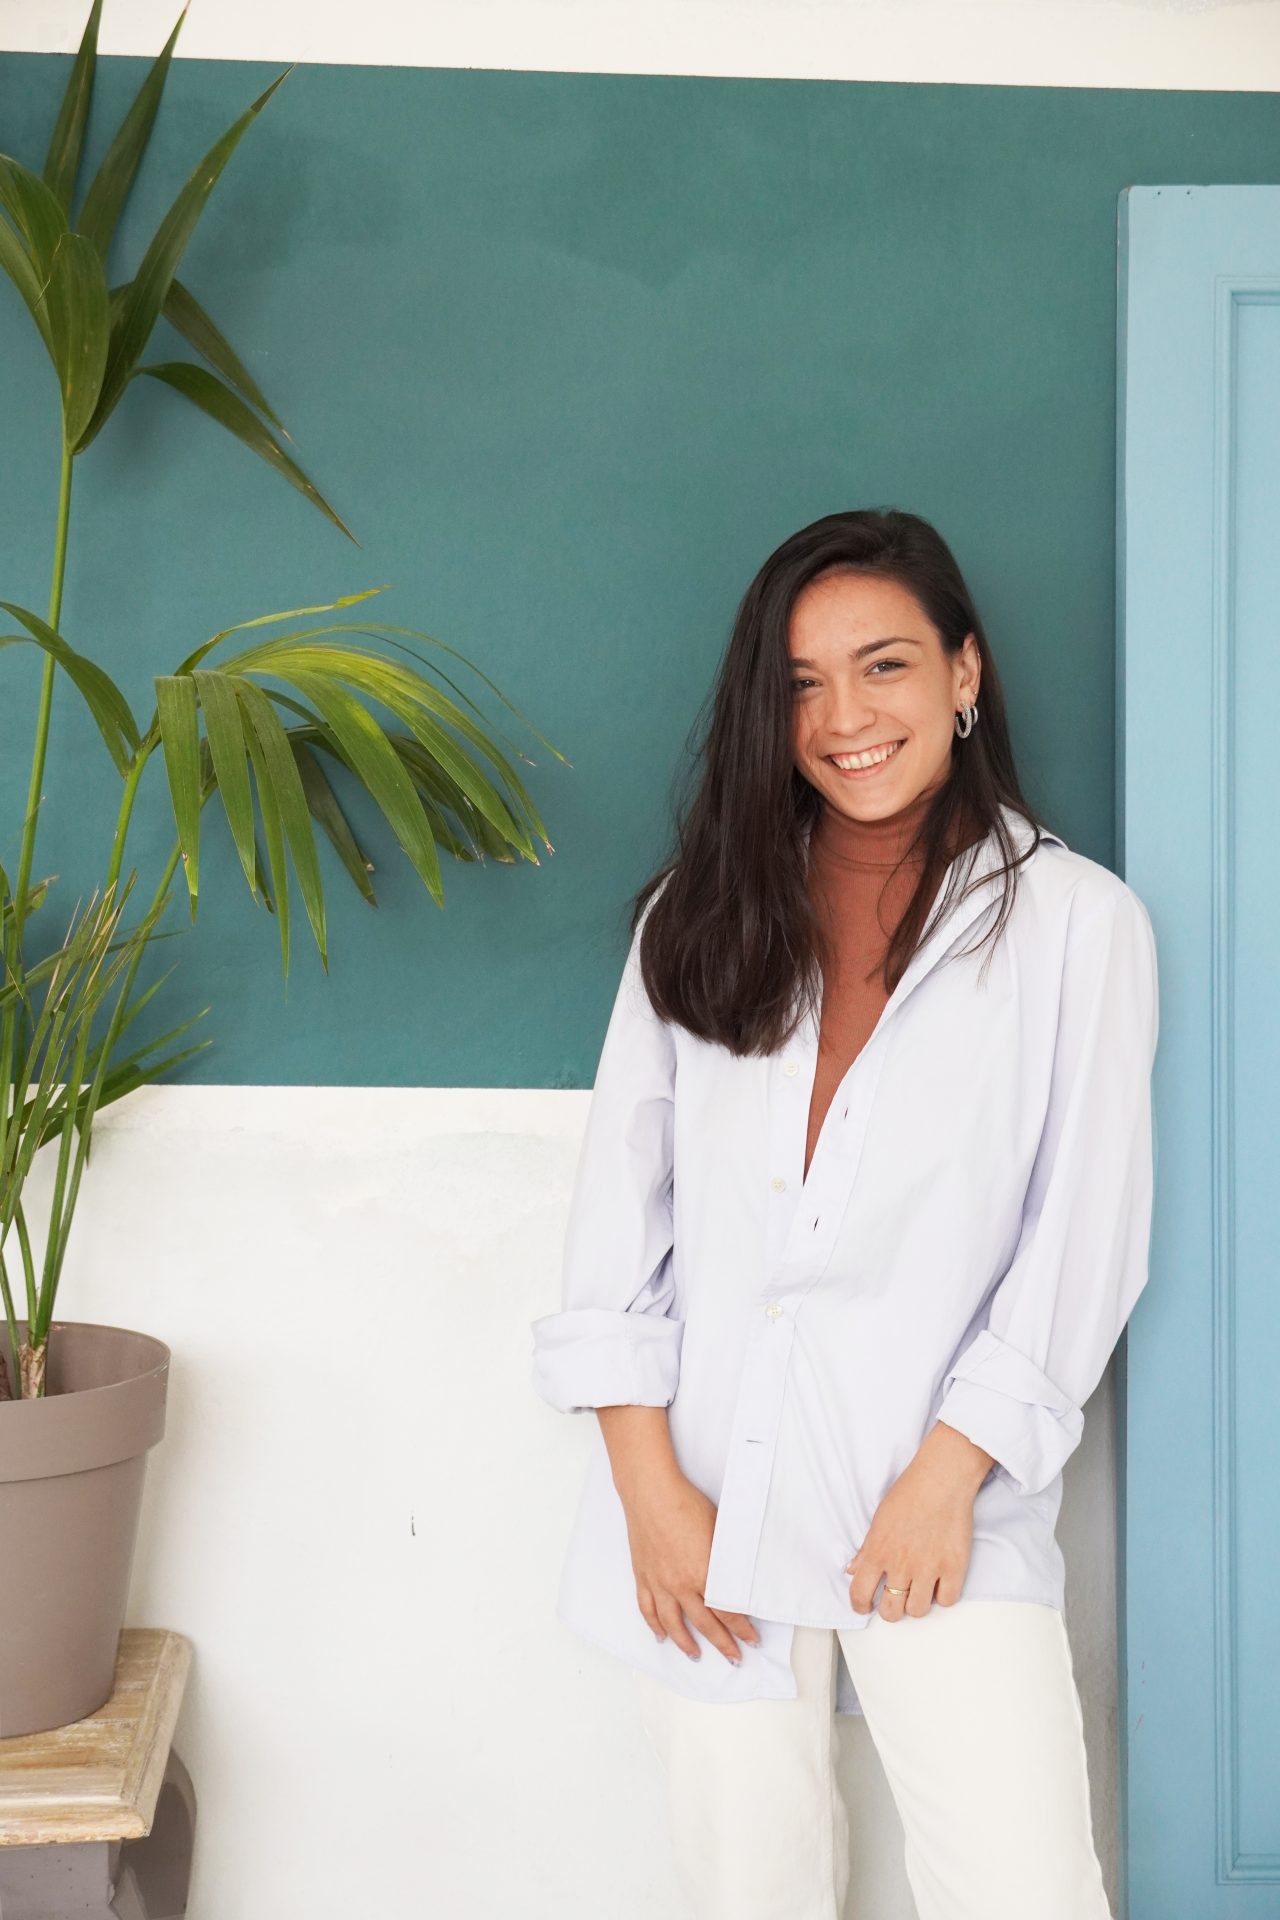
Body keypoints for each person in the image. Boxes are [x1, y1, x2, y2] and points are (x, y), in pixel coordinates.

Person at [530, 507, 1160, 1920]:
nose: (845, 719)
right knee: (747, 1890)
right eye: (804, 684)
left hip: (945, 1501)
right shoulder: (695, 918)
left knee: (1024, 1890)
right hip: (706, 1491)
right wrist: (650, 1495)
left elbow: (1084, 1240)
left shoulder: (1077, 928)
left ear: (964, 673)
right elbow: (621, 1226)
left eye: (885, 667)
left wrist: (949, 1478)